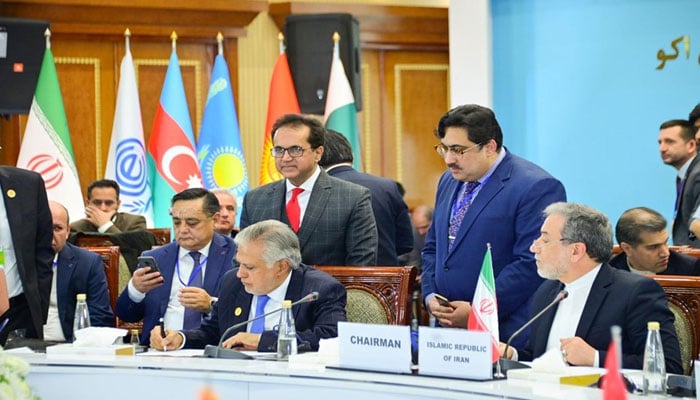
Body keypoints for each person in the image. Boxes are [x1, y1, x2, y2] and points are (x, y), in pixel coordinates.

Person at [422, 104, 566, 349]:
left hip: (505, 331)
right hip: (448, 331)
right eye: (444, 149)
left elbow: (531, 262)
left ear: (489, 147)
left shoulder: (536, 187)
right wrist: (429, 295)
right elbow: (433, 247)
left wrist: (478, 309)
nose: (448, 160)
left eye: (458, 150)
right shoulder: (449, 180)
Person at [501, 202, 682, 374]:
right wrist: (512, 355)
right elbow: (540, 359)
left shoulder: (636, 292)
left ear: (576, 251)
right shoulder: (547, 292)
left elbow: (668, 365)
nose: (534, 247)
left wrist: (596, 358)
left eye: (545, 240)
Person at [150, 219, 347, 353]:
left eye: (250, 267)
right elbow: (213, 332)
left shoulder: (319, 289)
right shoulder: (233, 283)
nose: (240, 273)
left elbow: (332, 339)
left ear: (281, 266)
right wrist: (179, 338)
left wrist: (262, 341)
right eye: (239, 264)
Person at [240, 114, 378, 266]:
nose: (285, 158)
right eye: (279, 150)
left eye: (295, 150)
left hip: (332, 289)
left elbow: (361, 265)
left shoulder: (353, 198)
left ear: (318, 153)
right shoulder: (254, 199)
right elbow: (242, 260)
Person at [115, 188, 236, 345]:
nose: (182, 229)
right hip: (158, 350)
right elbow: (127, 315)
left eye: (192, 222)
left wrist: (211, 305)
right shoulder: (156, 258)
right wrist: (136, 290)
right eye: (177, 222)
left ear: (214, 219)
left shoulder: (235, 256)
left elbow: (245, 315)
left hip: (211, 351)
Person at [319, 129, 413, 266]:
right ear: (350, 153)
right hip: (385, 280)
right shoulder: (388, 187)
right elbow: (405, 244)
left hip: (337, 279)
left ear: (317, 155)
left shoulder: (318, 190)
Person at [45, 201, 114, 341]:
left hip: (69, 347)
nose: (50, 235)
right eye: (44, 228)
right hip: (23, 347)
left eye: (57, 228)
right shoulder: (18, 261)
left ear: (68, 232)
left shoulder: (87, 263)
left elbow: (100, 318)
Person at [0, 166, 53, 345]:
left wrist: (38, 314)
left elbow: (43, 252)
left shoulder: (28, 184)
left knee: (17, 371)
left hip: (18, 310)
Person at [611, 207, 700, 275]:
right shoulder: (607, 271)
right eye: (654, 247)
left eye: (666, 243)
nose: (665, 253)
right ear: (627, 249)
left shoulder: (689, 269)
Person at [658, 119, 700, 246]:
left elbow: (696, 224)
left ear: (691, 145)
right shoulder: (687, 175)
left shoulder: (697, 174)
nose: (662, 148)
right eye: (660, 142)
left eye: (669, 142)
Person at [70, 179, 147, 233]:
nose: (103, 208)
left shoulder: (135, 222)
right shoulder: (75, 228)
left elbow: (135, 250)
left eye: (109, 203)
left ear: (118, 204)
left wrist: (105, 226)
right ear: (87, 203)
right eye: (97, 202)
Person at [398, 205, 433, 273]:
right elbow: (414, 259)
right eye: (417, 228)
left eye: (424, 227)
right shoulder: (415, 234)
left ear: (433, 221)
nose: (421, 232)